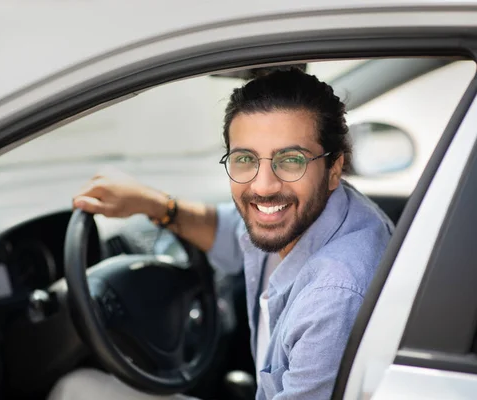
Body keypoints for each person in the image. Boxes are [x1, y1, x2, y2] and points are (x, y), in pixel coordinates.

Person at [49, 68, 393, 399]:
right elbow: (231, 233)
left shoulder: (333, 297)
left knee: (75, 390)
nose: (263, 186)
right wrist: (156, 205)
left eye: (291, 160)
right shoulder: (301, 216)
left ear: (334, 168)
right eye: (245, 159)